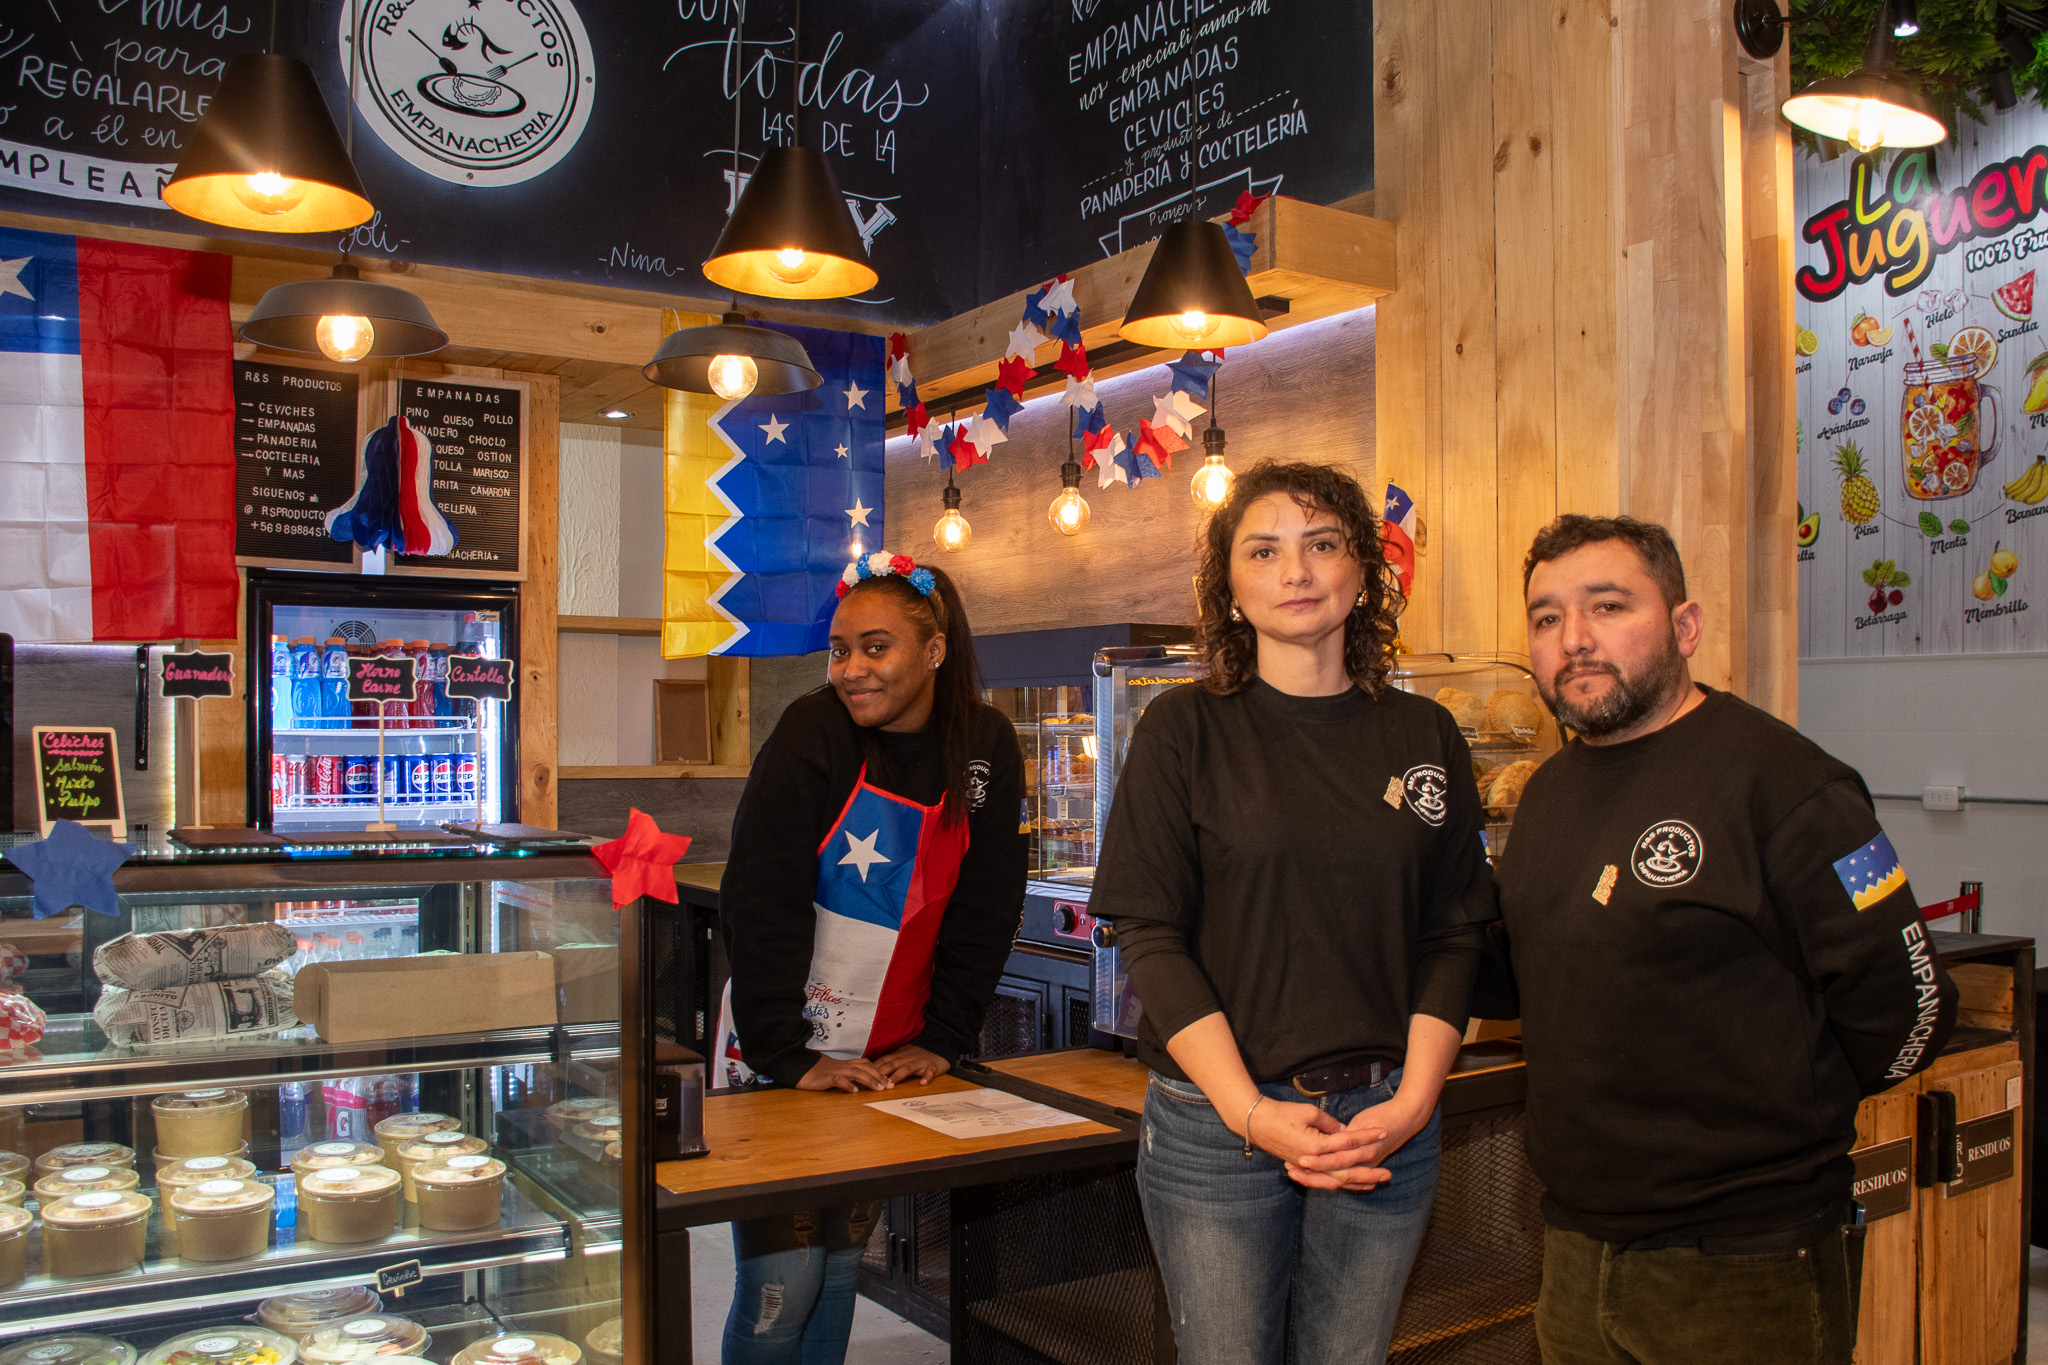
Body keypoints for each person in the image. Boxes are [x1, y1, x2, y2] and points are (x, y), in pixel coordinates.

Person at [1485, 514, 1958, 1365]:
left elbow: (1909, 1005)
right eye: (1548, 616)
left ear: (1686, 625)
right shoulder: (1546, 794)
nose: (1575, 638)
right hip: (1575, 1252)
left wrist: (1782, 1126)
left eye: (1608, 606)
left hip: (1747, 1261)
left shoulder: (1790, 786)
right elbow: (1532, 978)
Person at [1093, 460, 1499, 1365]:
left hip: (1383, 1121)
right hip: (1217, 1129)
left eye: (1322, 544)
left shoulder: (1423, 733)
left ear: (1362, 572)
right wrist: (1249, 1111)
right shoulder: (1182, 730)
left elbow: (1454, 931)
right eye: (1265, 550)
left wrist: (1414, 1100)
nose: (1297, 571)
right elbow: (1151, 936)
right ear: (1230, 589)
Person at [715, 552, 1027, 1365]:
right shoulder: (810, 732)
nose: (851, 668)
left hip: (887, 1050)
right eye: (840, 649)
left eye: (875, 647)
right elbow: (759, 895)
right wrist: (789, 1054)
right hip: (781, 1042)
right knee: (781, 1283)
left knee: (842, 1264)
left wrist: (946, 1035)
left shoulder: (985, 744)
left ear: (935, 649)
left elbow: (986, 905)